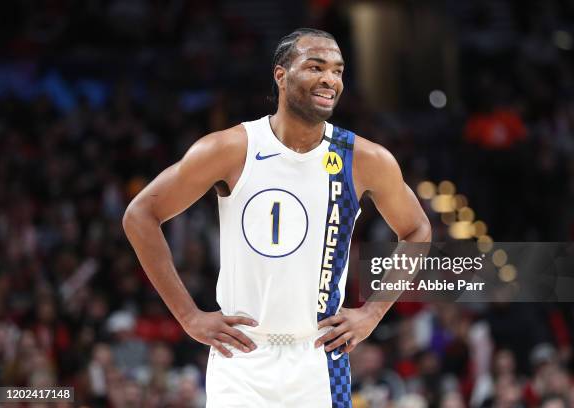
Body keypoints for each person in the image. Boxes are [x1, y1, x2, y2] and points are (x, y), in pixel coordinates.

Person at [123, 28, 431, 407]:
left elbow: (417, 229)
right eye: (315, 67)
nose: (329, 79)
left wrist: (372, 313)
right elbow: (140, 214)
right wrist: (188, 316)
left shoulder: (366, 159)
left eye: (337, 70)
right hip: (241, 357)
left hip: (318, 357)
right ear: (281, 76)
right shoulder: (230, 148)